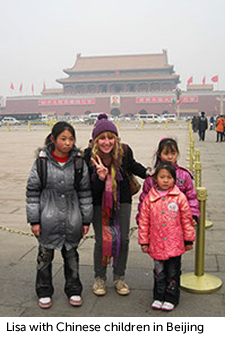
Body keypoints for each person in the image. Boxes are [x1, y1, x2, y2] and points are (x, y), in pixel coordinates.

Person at [26, 121, 93, 309]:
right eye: (63, 139)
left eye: (71, 139)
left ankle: (73, 289)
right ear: (53, 139)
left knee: (71, 256)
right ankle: (44, 290)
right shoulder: (42, 163)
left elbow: (85, 192)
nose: (68, 143)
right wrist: (34, 220)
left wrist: (86, 219)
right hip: (48, 218)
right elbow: (32, 192)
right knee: (44, 256)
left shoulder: (79, 163)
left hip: (72, 219)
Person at [84, 113, 148, 297]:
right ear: (96, 140)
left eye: (110, 137)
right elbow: (90, 187)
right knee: (101, 240)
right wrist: (101, 177)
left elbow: (135, 167)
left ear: (116, 138)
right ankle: (100, 277)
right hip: (99, 203)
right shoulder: (89, 155)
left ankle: (119, 276)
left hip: (122, 200)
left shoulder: (124, 151)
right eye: (102, 138)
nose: (107, 142)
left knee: (124, 239)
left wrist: (152, 173)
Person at [138, 161, 195, 311]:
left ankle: (171, 297)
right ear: (155, 179)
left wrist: (188, 239)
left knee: (173, 272)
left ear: (174, 180)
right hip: (156, 243)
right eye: (162, 177)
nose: (165, 180)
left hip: (175, 243)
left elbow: (186, 219)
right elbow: (144, 220)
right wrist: (144, 241)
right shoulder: (150, 198)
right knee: (159, 272)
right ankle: (158, 296)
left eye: (169, 177)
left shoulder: (179, 197)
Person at [136, 138, 200, 226]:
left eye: (173, 153)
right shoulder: (152, 178)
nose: (170, 157)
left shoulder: (184, 175)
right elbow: (144, 200)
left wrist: (193, 215)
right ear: (159, 154)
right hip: (157, 224)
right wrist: (141, 218)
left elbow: (191, 197)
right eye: (166, 153)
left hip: (179, 223)